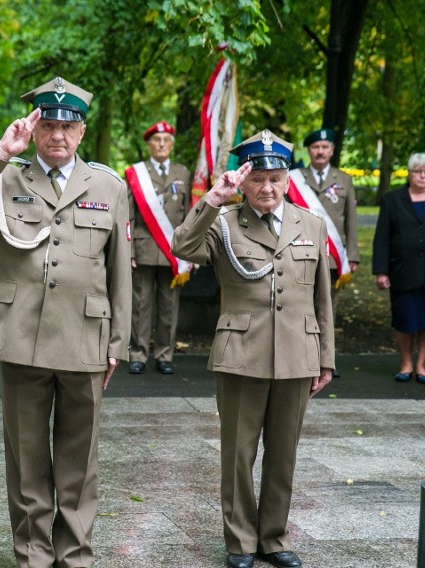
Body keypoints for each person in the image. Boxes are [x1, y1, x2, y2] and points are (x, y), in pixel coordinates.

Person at [0, 76, 131, 568]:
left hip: (86, 338)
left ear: (82, 131)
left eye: (68, 127)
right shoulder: (5, 178)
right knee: (27, 458)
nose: (58, 136)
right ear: (35, 126)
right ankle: (33, 555)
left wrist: (119, 343)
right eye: (48, 125)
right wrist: (2, 150)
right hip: (21, 336)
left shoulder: (108, 186)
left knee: (79, 459)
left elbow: (120, 273)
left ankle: (74, 555)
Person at [171, 130, 334, 568]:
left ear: (287, 180)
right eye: (258, 179)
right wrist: (212, 199)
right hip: (241, 353)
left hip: (298, 354)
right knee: (239, 455)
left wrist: (326, 357)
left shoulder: (310, 225)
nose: (267, 188)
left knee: (284, 454)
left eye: (275, 178)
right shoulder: (223, 222)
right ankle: (240, 542)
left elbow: (322, 299)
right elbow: (181, 246)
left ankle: (274, 540)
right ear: (243, 182)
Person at [372, 153, 425, 385]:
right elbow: (382, 237)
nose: (422, 176)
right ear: (409, 174)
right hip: (402, 270)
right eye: (417, 171)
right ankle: (405, 363)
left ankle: (422, 365)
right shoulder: (392, 199)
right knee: (404, 319)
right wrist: (381, 271)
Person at [125, 121, 191, 375]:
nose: (161, 144)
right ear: (149, 144)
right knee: (140, 306)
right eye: (157, 140)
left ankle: (165, 355)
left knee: (169, 306)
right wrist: (129, 251)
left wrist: (189, 252)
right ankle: (137, 354)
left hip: (173, 252)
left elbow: (187, 217)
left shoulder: (182, 173)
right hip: (143, 249)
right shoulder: (135, 173)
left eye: (166, 140)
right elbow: (128, 217)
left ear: (172, 144)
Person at [297, 128, 359, 377]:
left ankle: (325, 361)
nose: (320, 151)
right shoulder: (295, 179)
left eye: (325, 147)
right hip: (301, 253)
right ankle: (301, 359)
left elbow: (351, 222)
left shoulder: (343, 180)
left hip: (333, 258)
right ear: (309, 151)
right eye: (315, 147)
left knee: (327, 310)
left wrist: (352, 256)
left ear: (332, 150)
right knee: (301, 307)